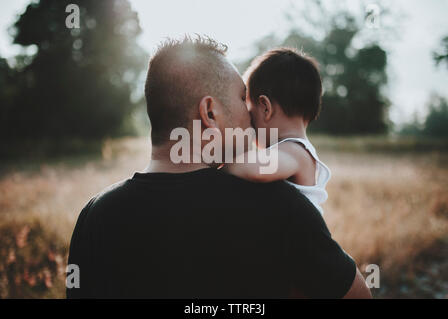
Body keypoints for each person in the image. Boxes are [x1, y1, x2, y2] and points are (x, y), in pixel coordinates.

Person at [66, 35, 371, 299]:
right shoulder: (278, 203)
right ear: (210, 112)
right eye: (242, 99)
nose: (251, 117)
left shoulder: (94, 216)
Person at [224, 48, 330, 215]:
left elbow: (259, 168)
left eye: (250, 115)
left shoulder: (296, 151)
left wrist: (219, 163)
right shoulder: (294, 150)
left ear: (266, 108)